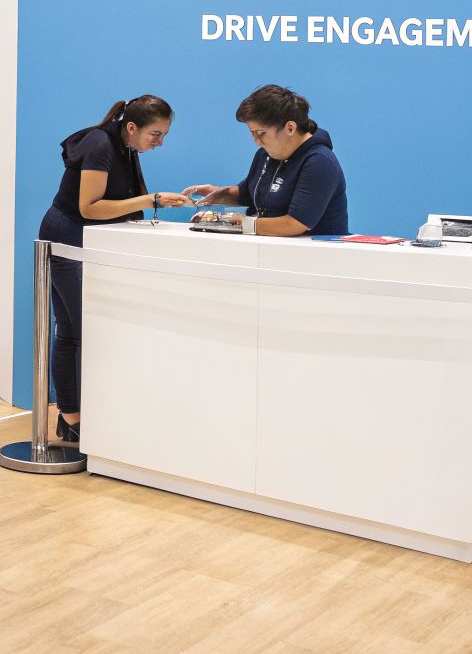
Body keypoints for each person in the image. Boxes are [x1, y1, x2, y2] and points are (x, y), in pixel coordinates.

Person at [38, 96, 189, 443]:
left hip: (86, 240)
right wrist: (152, 200)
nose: (160, 142)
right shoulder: (99, 145)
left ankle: (72, 415)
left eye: (164, 135)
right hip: (69, 238)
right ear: (132, 127)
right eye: (156, 134)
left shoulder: (123, 145)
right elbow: (89, 207)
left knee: (75, 331)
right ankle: (72, 416)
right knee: (78, 332)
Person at [184, 84, 348, 236]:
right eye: (252, 133)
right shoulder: (265, 154)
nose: (256, 141)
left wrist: (240, 223)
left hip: (315, 257)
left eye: (261, 133)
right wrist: (218, 193)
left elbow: (296, 223)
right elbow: (250, 194)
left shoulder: (320, 161)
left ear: (290, 128)